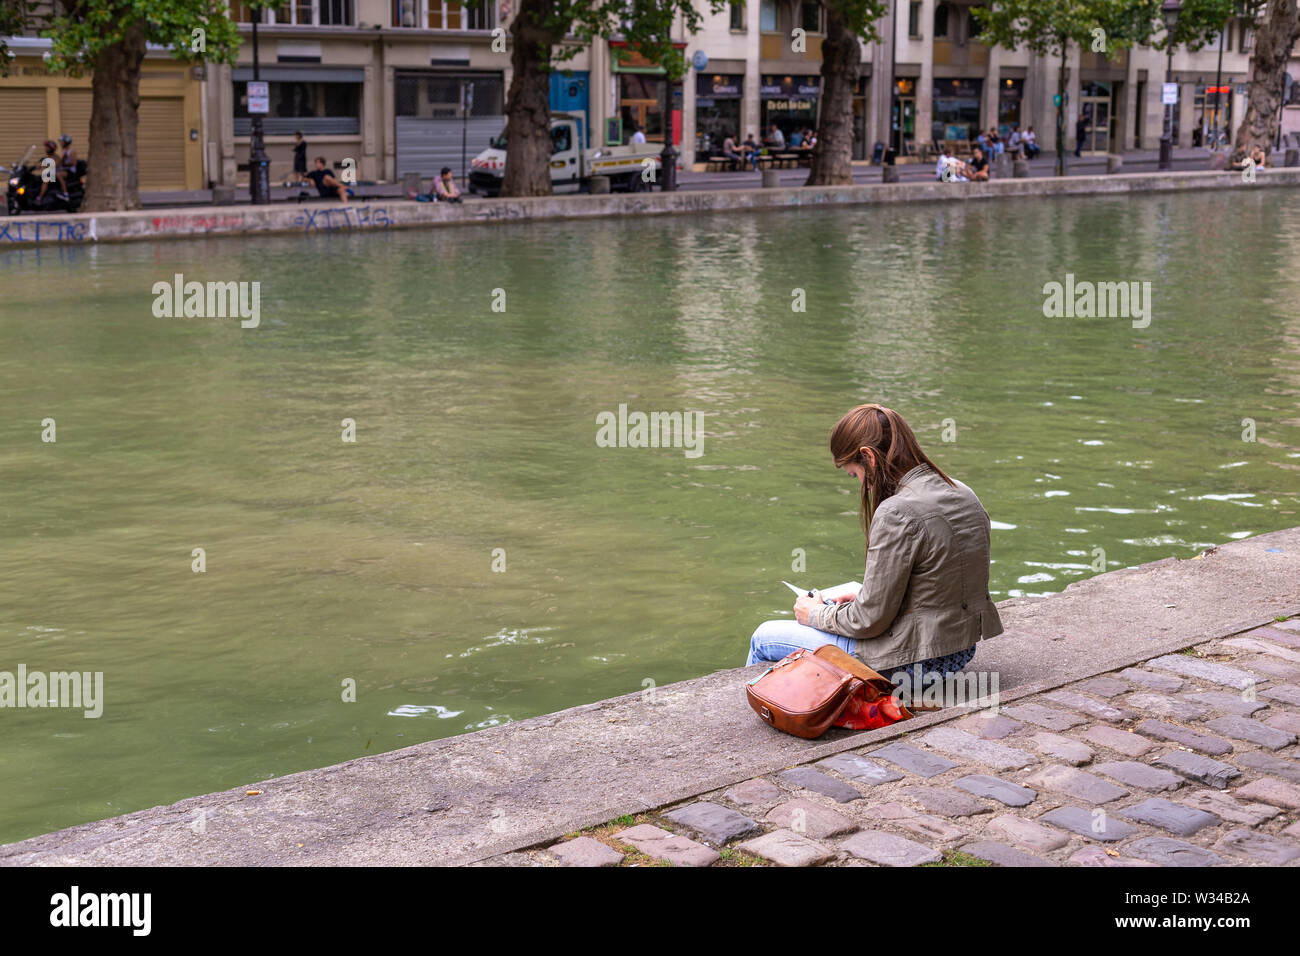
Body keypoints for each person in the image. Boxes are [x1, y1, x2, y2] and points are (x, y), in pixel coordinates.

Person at [745, 404, 1003, 693]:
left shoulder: (896, 512)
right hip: (958, 653)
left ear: (868, 456)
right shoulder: (962, 491)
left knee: (763, 637)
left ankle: (769, 712)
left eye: (854, 475)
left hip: (911, 666)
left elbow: (868, 621)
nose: (862, 486)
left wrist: (815, 614)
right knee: (853, 597)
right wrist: (862, 596)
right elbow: (939, 584)